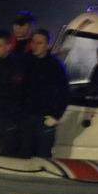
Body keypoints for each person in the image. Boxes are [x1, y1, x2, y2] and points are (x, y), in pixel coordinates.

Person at [20, 29, 69, 157]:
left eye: (39, 43)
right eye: (34, 42)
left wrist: (56, 116)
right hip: (26, 116)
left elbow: (64, 94)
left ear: (48, 45)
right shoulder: (25, 61)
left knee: (43, 154)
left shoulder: (55, 67)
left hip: (45, 119)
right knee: (24, 153)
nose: (35, 46)